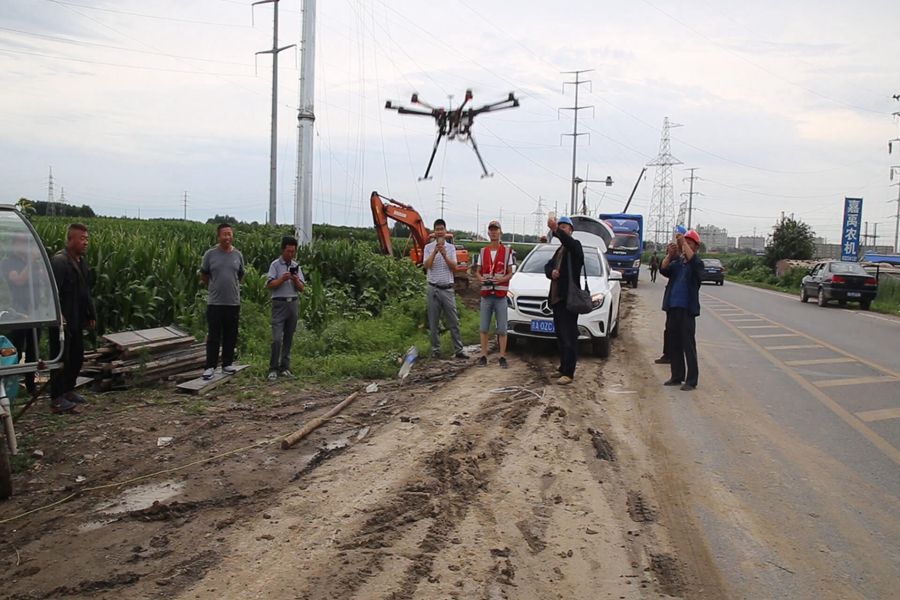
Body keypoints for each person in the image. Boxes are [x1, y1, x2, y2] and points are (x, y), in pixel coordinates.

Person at [48, 223, 96, 413]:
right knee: (60, 358)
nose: (85, 242)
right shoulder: (60, 262)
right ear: (70, 240)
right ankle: (56, 398)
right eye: (82, 239)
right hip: (62, 321)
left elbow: (85, 292)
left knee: (76, 357)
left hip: (76, 319)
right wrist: (57, 315)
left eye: (87, 239)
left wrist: (90, 313)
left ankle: (68, 390)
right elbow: (52, 293)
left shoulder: (81, 262)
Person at [658, 229, 704, 391]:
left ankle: (691, 380)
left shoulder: (696, 264)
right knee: (674, 344)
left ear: (695, 248)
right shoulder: (677, 264)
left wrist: (683, 242)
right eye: (685, 243)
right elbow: (663, 270)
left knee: (688, 345)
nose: (685, 247)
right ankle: (677, 376)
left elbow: (693, 261)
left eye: (690, 244)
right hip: (673, 308)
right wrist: (670, 255)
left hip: (687, 310)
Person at [200, 223, 245, 380]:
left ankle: (227, 363)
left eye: (230, 234)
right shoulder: (210, 255)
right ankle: (210, 366)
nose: (227, 237)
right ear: (218, 236)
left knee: (230, 334)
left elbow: (240, 275)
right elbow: (204, 275)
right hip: (215, 302)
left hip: (233, 302)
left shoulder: (237, 255)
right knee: (214, 335)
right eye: (224, 234)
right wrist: (214, 286)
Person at [544, 215, 584, 385]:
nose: (561, 229)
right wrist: (551, 272)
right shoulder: (559, 250)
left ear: (571, 230)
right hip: (557, 300)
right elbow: (548, 266)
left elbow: (568, 242)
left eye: (564, 227)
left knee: (569, 336)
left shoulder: (575, 247)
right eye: (560, 226)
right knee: (560, 336)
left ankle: (569, 372)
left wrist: (555, 230)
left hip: (569, 300)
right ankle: (563, 367)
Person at [1, 234, 41, 395]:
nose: (25, 245)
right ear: (14, 244)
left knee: (33, 349)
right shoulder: (8, 262)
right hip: (17, 313)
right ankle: (10, 384)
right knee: (15, 348)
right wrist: (30, 263)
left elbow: (41, 281)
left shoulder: (31, 263)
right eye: (21, 242)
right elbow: (17, 280)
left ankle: (30, 383)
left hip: (35, 313)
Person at [423, 219, 466, 359]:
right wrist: (435, 252)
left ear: (445, 231)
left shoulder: (451, 248)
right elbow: (427, 266)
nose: (440, 231)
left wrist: (444, 254)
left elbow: (454, 267)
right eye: (437, 229)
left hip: (447, 288)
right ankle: (436, 351)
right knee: (433, 321)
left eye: (442, 228)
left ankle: (459, 349)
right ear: (434, 232)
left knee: (453, 320)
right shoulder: (428, 248)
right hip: (433, 288)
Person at [266, 236, 305, 381]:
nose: (291, 254)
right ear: (283, 250)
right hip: (279, 303)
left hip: (293, 303)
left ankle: (285, 367)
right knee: (277, 339)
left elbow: (302, 288)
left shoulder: (296, 265)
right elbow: (269, 285)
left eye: (293, 252)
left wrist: (295, 279)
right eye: (288, 251)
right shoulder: (275, 265)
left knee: (289, 337)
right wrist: (282, 278)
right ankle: (273, 368)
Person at [476, 220, 514, 368]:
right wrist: (481, 279)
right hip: (486, 294)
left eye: (495, 229)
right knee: (484, 327)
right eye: (491, 230)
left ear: (500, 232)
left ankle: (502, 357)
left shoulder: (507, 252)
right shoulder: (483, 251)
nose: (493, 232)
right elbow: (477, 272)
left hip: (500, 295)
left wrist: (501, 280)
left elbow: (510, 272)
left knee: (502, 328)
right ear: (488, 233)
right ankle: (483, 356)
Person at [654, 227, 686, 365]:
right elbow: (663, 269)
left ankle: (677, 357)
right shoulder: (674, 260)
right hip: (671, 302)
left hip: (683, 304)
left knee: (681, 332)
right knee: (669, 330)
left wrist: (680, 249)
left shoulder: (686, 261)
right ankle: (668, 355)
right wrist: (669, 254)